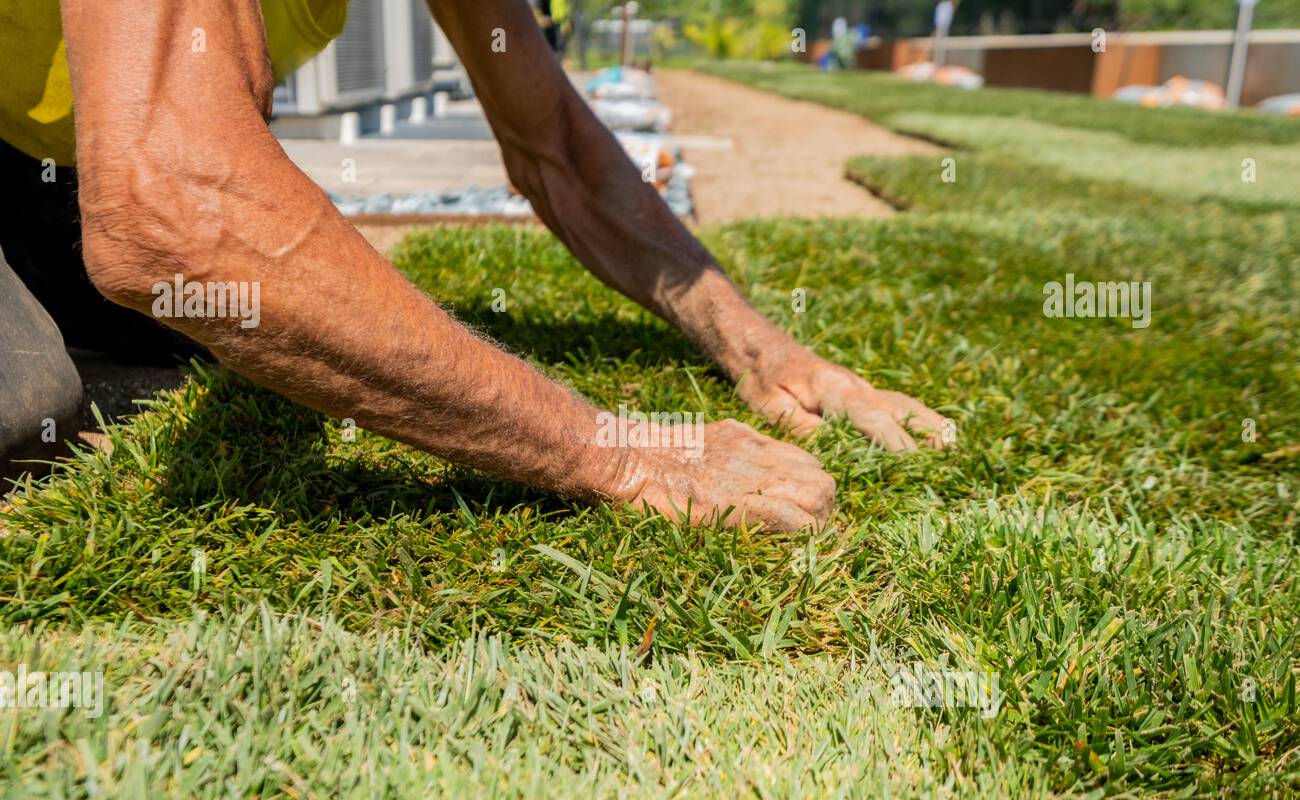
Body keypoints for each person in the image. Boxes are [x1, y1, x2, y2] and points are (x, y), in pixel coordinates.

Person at [0, 0, 950, 529]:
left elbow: (557, 146)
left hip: (69, 152)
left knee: (218, 337)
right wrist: (611, 451)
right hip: (66, 159)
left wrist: (761, 351)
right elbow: (175, 211)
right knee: (29, 410)